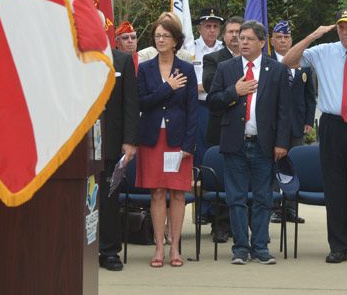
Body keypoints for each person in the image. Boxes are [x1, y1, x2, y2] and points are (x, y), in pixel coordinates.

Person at [282, 8, 347, 265]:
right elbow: (287, 61)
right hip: (332, 125)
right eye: (340, 26)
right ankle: (338, 246)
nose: (344, 31)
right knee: (335, 187)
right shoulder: (323, 52)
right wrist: (312, 36)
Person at [207, 20, 290, 265]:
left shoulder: (275, 70)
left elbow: (284, 110)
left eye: (248, 39)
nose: (242, 42)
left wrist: (282, 142)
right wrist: (235, 91)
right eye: (240, 38)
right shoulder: (226, 68)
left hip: (264, 144)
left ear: (262, 43)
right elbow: (213, 102)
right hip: (235, 143)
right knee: (236, 197)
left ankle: (261, 248)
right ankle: (240, 248)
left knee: (264, 198)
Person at [137, 15, 197, 268]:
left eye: (165, 36)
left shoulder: (186, 69)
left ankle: (175, 248)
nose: (160, 40)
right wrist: (167, 87)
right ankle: (159, 248)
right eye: (157, 36)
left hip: (177, 141)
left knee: (178, 194)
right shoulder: (145, 68)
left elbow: (192, 109)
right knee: (158, 192)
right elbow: (142, 102)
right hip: (153, 139)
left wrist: (188, 144)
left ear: (175, 41)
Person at [269, 20, 316, 225]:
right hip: (273, 124)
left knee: (293, 165)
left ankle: (291, 207)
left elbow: (309, 96)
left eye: (286, 37)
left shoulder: (304, 64)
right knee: (273, 167)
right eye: (278, 37)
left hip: (296, 123)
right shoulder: (267, 62)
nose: (283, 41)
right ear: (271, 40)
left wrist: (308, 120)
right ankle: (274, 207)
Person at [202, 15, 243, 243]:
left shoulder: (255, 59)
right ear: (224, 35)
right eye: (231, 32)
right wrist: (238, 88)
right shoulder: (213, 58)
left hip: (248, 127)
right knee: (221, 178)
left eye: (239, 32)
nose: (235, 36)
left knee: (242, 178)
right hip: (221, 126)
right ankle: (220, 224)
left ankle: (240, 224)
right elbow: (210, 86)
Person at [98, 49, 139, 271]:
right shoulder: (70, 54)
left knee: (108, 198)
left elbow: (131, 104)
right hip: (77, 144)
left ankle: (109, 251)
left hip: (111, 142)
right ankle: (75, 247)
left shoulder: (121, 60)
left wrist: (130, 140)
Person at [192, 8, 224, 169]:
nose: (212, 30)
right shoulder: (190, 48)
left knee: (222, 143)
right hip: (201, 105)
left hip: (222, 104)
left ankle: (219, 182)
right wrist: (207, 87)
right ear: (199, 28)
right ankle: (202, 182)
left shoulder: (224, 49)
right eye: (208, 26)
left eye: (215, 26)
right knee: (201, 143)